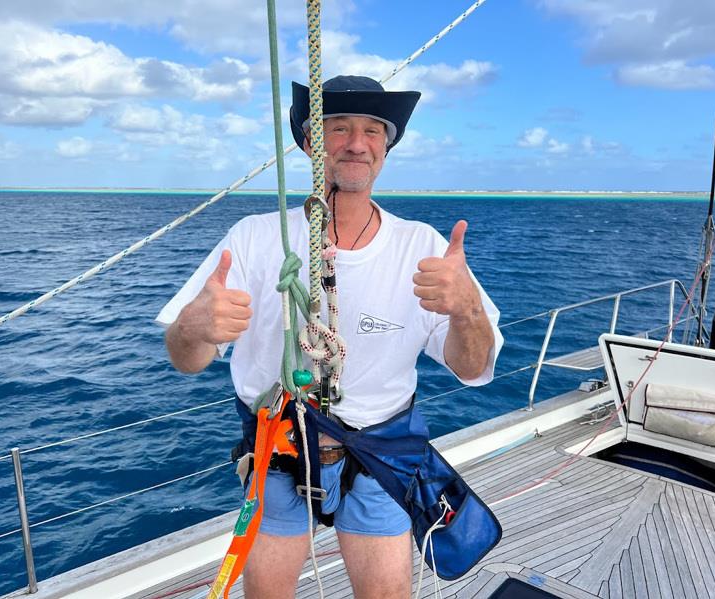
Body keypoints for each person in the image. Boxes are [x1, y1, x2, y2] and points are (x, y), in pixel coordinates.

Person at [157, 75, 503, 599]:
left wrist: (468, 311)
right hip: (275, 451)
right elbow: (187, 360)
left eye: (371, 130)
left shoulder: (423, 247)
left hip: (381, 457)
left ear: (386, 148)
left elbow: (473, 369)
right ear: (306, 143)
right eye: (337, 128)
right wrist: (192, 327)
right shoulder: (253, 238)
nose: (356, 143)